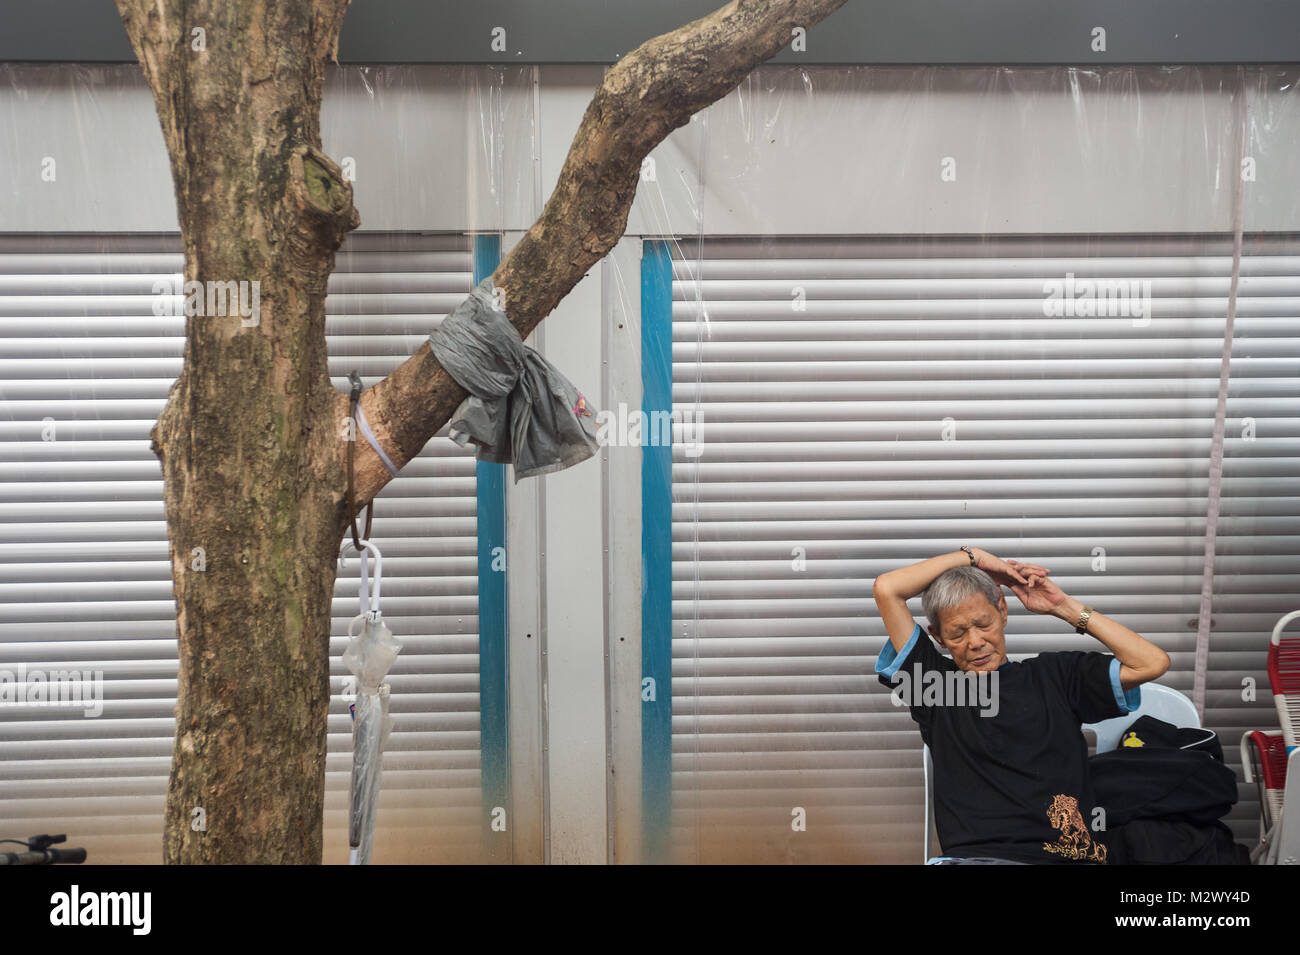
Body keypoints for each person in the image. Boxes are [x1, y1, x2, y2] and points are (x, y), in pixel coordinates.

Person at [873, 546, 1170, 864]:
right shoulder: (934, 685)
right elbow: (887, 589)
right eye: (958, 633)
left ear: (1002, 610)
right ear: (937, 636)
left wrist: (1064, 607)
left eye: (983, 624)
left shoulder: (1057, 676)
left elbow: (1151, 663)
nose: (975, 642)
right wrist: (973, 556)